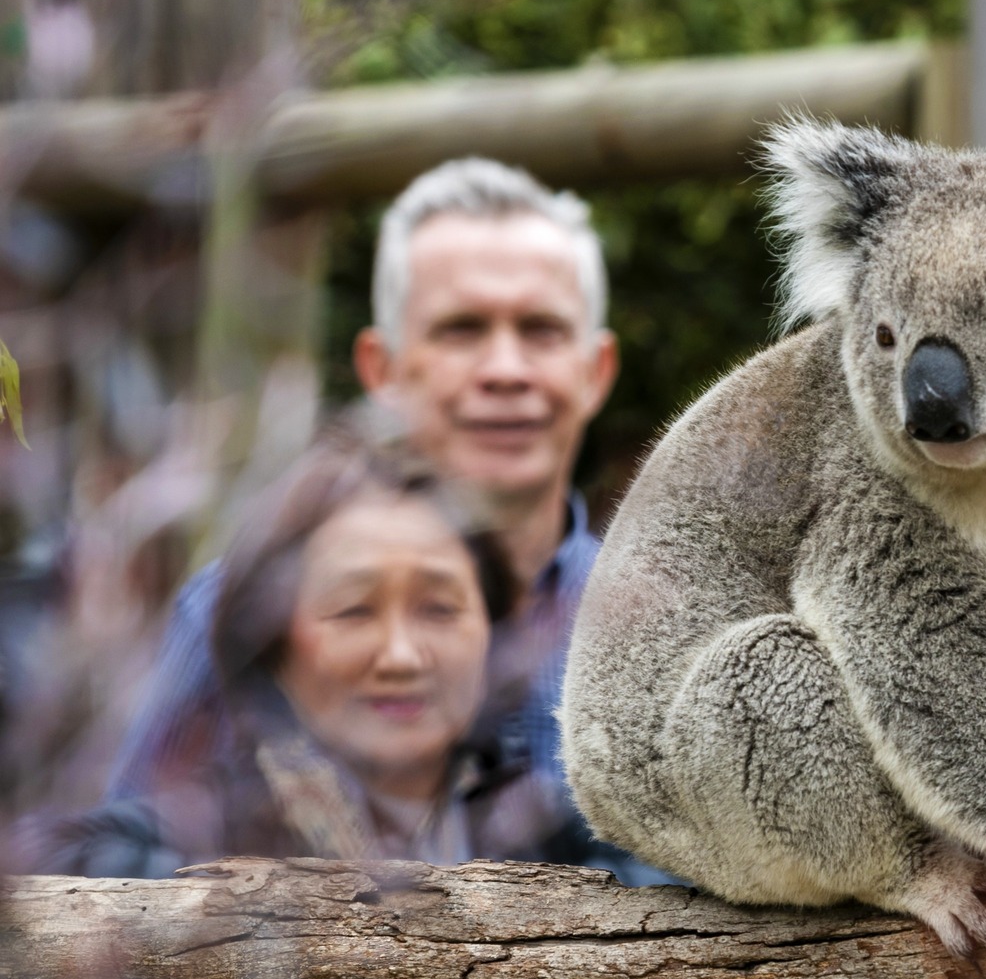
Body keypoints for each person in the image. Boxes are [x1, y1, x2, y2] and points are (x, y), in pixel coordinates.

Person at [104, 159, 620, 827]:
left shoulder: (667, 623)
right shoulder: (237, 612)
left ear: (596, 371)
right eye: (461, 328)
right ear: (383, 370)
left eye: (541, 330)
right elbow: (116, 881)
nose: (505, 369)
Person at [38, 433, 592, 874]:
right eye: (353, 610)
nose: (401, 656)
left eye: (440, 609)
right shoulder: (188, 838)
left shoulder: (560, 836)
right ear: (272, 641)